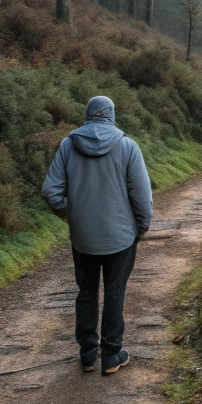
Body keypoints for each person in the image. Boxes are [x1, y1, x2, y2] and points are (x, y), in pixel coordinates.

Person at [41, 95, 152, 374]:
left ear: (88, 114)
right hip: (121, 238)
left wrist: (72, 216)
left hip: (83, 239)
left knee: (87, 292)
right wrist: (142, 226)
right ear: (112, 115)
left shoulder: (68, 145)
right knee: (115, 293)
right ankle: (112, 356)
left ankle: (89, 354)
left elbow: (51, 192)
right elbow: (141, 196)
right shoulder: (128, 146)